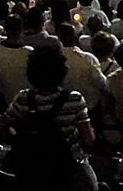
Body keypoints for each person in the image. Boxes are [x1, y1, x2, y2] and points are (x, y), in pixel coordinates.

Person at [6, 44, 97, 191]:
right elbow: (89, 139)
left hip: (32, 165)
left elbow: (2, 127)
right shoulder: (74, 99)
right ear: (61, 71)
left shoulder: (23, 98)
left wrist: (19, 138)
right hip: (70, 165)